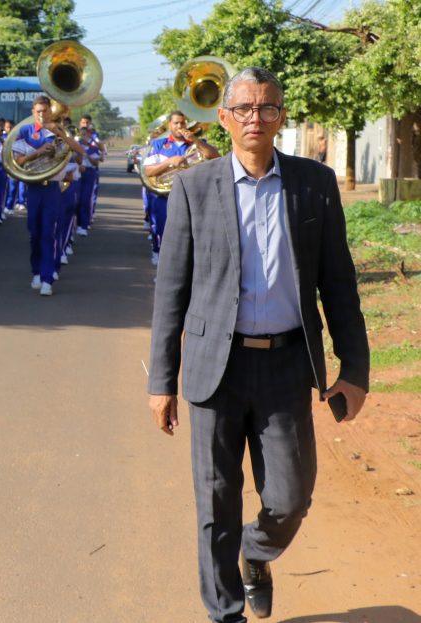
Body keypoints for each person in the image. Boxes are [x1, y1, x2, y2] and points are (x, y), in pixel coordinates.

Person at [147, 67, 370, 622]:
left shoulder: (313, 184)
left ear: (281, 117)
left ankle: (255, 552)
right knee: (215, 504)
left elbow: (338, 282)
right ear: (223, 119)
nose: (255, 118)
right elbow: (171, 288)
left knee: (291, 497)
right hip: (212, 369)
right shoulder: (194, 188)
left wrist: (355, 367)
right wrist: (161, 381)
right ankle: (224, 613)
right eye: (243, 108)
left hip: (287, 365)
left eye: (267, 107)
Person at [11, 95, 85, 296]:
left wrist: (60, 133)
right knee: (34, 233)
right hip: (33, 187)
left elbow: (80, 152)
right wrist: (39, 152)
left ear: (51, 112)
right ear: (33, 113)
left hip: (53, 188)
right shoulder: (25, 131)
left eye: (45, 111)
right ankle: (37, 271)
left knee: (48, 233)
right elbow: (18, 161)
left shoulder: (60, 132)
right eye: (38, 111)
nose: (42, 115)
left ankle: (47, 277)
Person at [143, 110, 219, 266]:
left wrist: (195, 140)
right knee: (162, 230)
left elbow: (215, 156)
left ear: (187, 124)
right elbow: (148, 171)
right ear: (170, 125)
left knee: (190, 233)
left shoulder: (196, 142)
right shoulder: (158, 144)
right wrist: (169, 162)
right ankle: (161, 259)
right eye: (176, 123)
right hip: (164, 196)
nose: (179, 126)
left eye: (182, 123)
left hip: (192, 195)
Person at [76, 125, 102, 237]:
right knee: (76, 200)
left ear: (89, 135)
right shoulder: (76, 146)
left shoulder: (93, 147)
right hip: (77, 173)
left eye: (85, 134)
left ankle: (84, 226)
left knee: (86, 200)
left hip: (89, 173)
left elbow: (96, 163)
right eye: (81, 134)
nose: (83, 137)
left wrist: (87, 156)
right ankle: (77, 223)